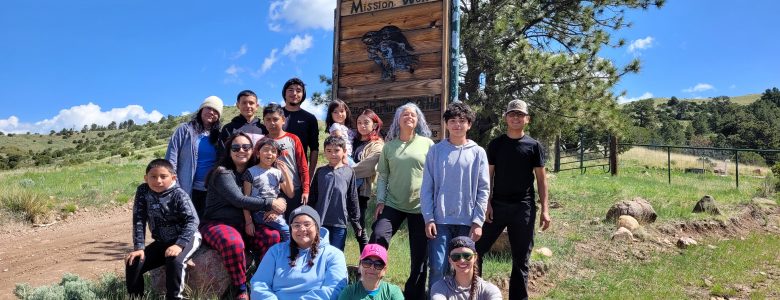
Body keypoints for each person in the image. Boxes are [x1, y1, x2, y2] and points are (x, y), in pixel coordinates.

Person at [474, 99, 551, 300]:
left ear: (527, 119)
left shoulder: (534, 146)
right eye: (512, 114)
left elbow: (541, 180)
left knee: (521, 259)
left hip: (523, 208)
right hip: (496, 206)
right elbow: (488, 176)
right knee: (476, 250)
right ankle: (474, 293)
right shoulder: (496, 144)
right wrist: (487, 203)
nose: (516, 118)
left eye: (520, 114)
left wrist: (545, 210)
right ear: (505, 118)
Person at [199, 132, 287, 300]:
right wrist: (270, 203)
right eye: (236, 147)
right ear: (229, 151)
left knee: (272, 236)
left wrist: (280, 201)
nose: (241, 150)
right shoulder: (222, 173)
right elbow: (239, 200)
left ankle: (263, 280)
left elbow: (273, 190)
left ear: (252, 150)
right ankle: (240, 289)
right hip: (217, 223)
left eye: (246, 147)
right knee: (233, 242)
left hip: (246, 223)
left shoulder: (253, 171)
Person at [369, 102, 434, 300]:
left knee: (419, 257)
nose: (409, 117)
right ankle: (371, 285)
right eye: (405, 114)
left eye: (413, 115)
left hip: (420, 207)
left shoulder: (427, 144)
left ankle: (414, 295)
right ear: (398, 119)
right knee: (378, 236)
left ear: (418, 120)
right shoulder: (389, 146)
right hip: (393, 204)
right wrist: (380, 201)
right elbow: (383, 177)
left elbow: (434, 176)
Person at [422, 102, 490, 288]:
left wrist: (478, 221)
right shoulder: (435, 151)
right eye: (452, 121)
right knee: (437, 267)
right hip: (440, 221)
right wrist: (429, 218)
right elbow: (426, 187)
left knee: (465, 268)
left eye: (462, 121)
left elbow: (483, 189)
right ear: (446, 124)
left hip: (467, 221)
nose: (457, 125)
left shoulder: (478, 153)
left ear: (469, 124)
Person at [125, 159, 201, 300]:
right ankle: (136, 297)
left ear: (173, 178)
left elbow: (193, 220)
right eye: (153, 177)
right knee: (134, 262)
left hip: (187, 237)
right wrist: (139, 247)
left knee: (174, 259)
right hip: (162, 241)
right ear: (146, 178)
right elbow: (139, 219)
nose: (158, 181)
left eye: (163, 176)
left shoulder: (179, 194)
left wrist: (179, 244)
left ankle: (174, 297)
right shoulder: (143, 191)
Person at [250, 205, 348, 300]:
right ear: (291, 229)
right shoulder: (276, 252)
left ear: (317, 227)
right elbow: (259, 283)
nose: (302, 229)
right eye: (296, 225)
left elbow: (334, 289)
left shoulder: (333, 254)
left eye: (307, 224)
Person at [165, 95, 223, 218]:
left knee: (206, 224)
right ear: (201, 109)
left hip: (211, 189)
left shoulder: (218, 136)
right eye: (208, 108)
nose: (211, 112)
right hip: (186, 188)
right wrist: (174, 186)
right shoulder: (184, 130)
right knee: (188, 223)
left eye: (216, 111)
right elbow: (171, 159)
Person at [309, 136, 361, 251]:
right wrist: (309, 217)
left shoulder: (349, 172)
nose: (333, 154)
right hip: (320, 221)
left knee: (336, 253)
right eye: (329, 151)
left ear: (344, 152)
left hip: (340, 222)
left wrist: (356, 222)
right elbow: (312, 196)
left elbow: (353, 198)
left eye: (336, 150)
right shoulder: (320, 171)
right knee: (318, 251)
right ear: (325, 152)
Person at [242, 138, 296, 243]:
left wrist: (285, 173)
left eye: (273, 151)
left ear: (277, 156)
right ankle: (290, 255)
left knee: (282, 234)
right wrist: (248, 222)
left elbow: (290, 194)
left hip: (275, 211)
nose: (269, 153)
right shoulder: (251, 172)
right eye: (266, 150)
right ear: (258, 153)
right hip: (259, 212)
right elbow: (245, 200)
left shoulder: (277, 172)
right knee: (288, 231)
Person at [263, 103, 311, 219]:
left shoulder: (293, 139)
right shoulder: (262, 142)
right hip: (272, 193)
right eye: (268, 120)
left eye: (275, 119)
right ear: (264, 122)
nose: (272, 123)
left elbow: (303, 165)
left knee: (295, 224)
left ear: (283, 120)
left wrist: (306, 190)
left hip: (294, 190)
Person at [350, 109, 384, 252]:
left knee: (359, 227)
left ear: (375, 125)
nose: (362, 125)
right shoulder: (350, 140)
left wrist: (342, 173)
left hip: (360, 190)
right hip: (341, 188)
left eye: (366, 122)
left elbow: (369, 167)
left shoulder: (377, 144)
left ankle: (367, 260)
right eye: (359, 122)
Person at [430, 237, 502, 300]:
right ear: (450, 260)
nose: (462, 260)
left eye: (467, 256)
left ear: (475, 257)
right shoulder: (439, 287)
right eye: (456, 256)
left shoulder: (490, 289)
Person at [281, 78, 319, 177]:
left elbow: (314, 148)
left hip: (299, 172)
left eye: (298, 91)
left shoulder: (309, 118)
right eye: (290, 90)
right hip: (275, 169)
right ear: (284, 93)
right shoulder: (275, 115)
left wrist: (309, 175)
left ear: (303, 95)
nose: (294, 93)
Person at [338, 244, 404, 300]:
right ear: (360, 267)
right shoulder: (349, 293)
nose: (372, 267)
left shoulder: (393, 292)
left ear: (384, 270)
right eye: (367, 262)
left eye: (378, 264)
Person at [325, 99, 356, 164]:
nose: (339, 114)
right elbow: (340, 142)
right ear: (331, 114)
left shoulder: (348, 129)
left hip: (350, 156)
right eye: (335, 112)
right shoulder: (335, 126)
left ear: (346, 112)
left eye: (342, 111)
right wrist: (344, 157)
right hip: (343, 156)